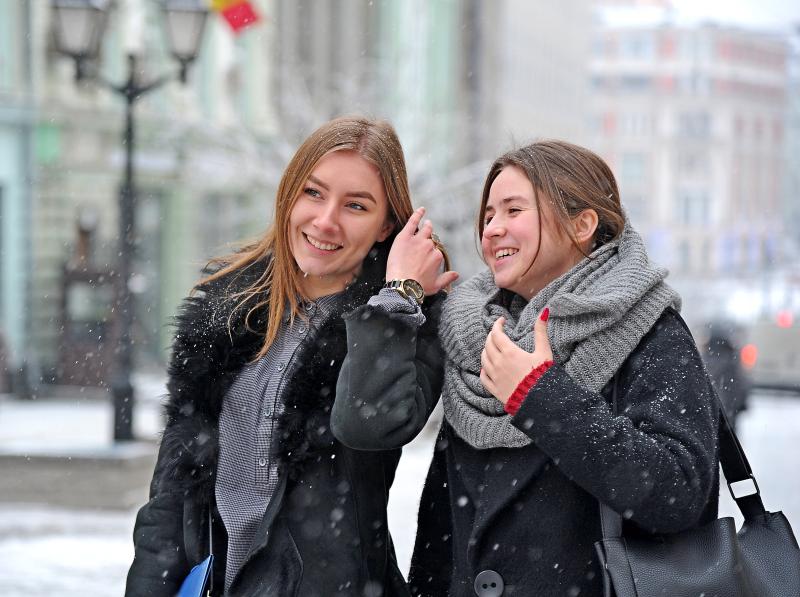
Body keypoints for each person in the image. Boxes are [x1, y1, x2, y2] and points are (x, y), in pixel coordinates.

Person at [339, 139, 721, 596]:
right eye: (488, 216)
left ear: (582, 224)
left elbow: (679, 494)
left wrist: (541, 395)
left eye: (513, 211)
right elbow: (370, 425)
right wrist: (400, 297)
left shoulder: (648, 327)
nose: (493, 229)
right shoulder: (471, 331)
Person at [125, 116, 457, 597]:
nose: (326, 220)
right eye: (314, 193)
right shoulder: (226, 311)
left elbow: (368, 423)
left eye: (356, 205)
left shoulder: (406, 324)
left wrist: (397, 299)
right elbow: (171, 497)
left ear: (388, 223)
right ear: (289, 195)